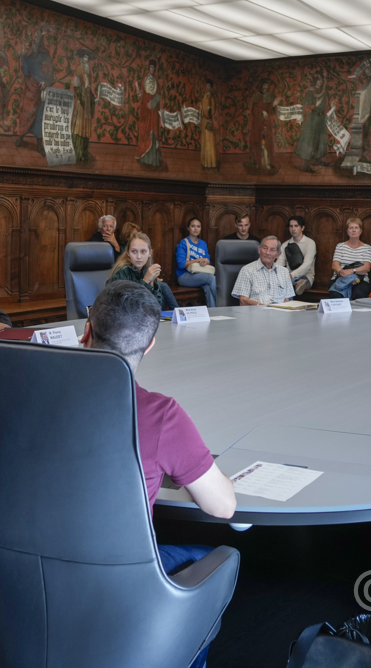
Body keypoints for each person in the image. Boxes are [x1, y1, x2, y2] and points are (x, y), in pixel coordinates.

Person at [80, 281, 236, 668]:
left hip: (23, 577)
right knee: (217, 559)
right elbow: (223, 506)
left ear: (87, 329)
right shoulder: (160, 415)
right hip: (116, 583)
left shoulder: (30, 394)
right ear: (150, 345)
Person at [109, 232, 179, 310]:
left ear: (150, 253)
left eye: (143, 251)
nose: (139, 256)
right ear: (128, 252)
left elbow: (156, 307)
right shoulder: (121, 272)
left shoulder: (146, 269)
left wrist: (152, 283)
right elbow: (129, 306)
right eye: (134, 251)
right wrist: (145, 281)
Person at [232, 237, 294, 306]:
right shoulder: (247, 270)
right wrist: (264, 307)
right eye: (265, 248)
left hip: (280, 314)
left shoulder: (284, 272)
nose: (267, 252)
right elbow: (243, 301)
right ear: (259, 250)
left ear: (278, 254)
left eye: (272, 250)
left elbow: (286, 300)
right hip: (256, 313)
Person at [176, 218, 217, 308]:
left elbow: (207, 260)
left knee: (207, 287)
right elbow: (181, 264)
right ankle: (223, 305)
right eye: (193, 226)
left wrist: (206, 261)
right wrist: (197, 260)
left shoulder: (203, 244)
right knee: (211, 278)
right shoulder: (183, 243)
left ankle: (214, 312)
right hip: (184, 276)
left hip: (200, 275)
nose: (196, 229)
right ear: (188, 228)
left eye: (198, 226)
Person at [329, 218, 371, 300]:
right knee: (335, 296)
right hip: (341, 278)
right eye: (351, 228)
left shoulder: (367, 248)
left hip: (360, 280)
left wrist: (352, 271)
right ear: (347, 231)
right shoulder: (340, 246)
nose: (353, 230)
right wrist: (343, 274)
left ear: (361, 231)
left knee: (357, 294)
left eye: (356, 228)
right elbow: (335, 265)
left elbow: (367, 268)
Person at [279, 216, 316, 296]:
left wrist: (292, 275)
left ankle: (288, 305)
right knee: (282, 283)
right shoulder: (285, 244)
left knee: (287, 284)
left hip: (306, 276)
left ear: (302, 228)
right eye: (291, 226)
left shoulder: (310, 243)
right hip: (289, 276)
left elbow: (307, 265)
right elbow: (279, 263)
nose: (293, 229)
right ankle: (296, 284)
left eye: (296, 226)